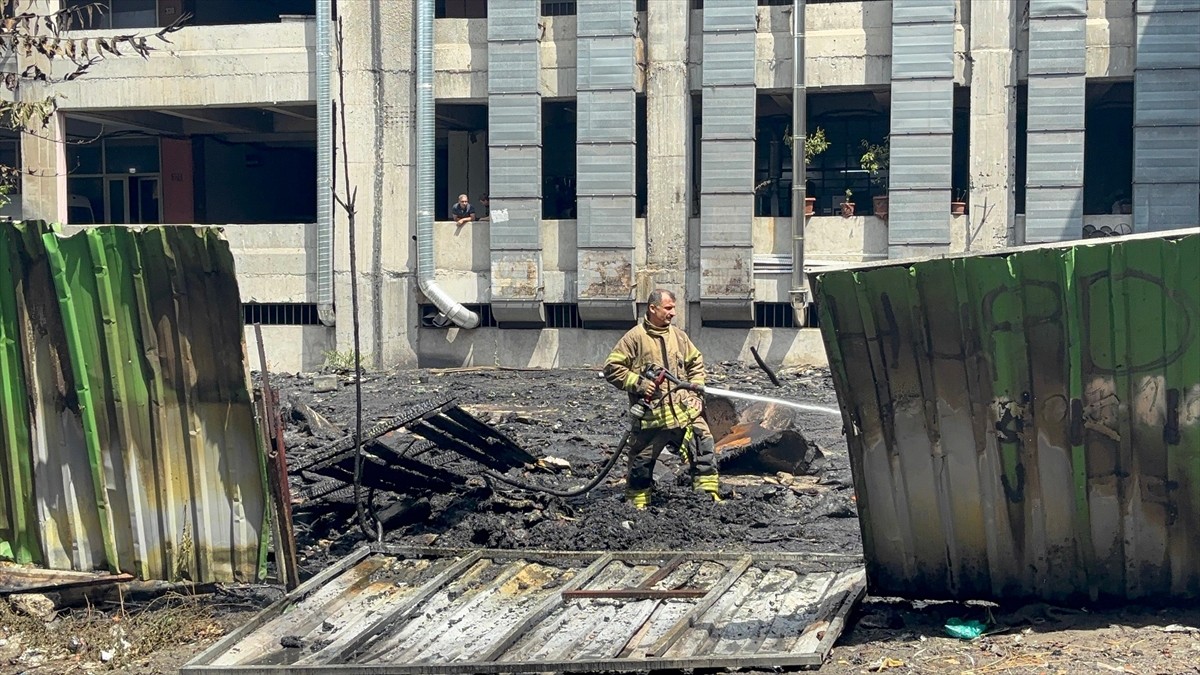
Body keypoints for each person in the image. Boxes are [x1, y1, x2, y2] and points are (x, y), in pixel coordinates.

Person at [603, 289, 721, 509]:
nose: (673, 313)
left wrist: (696, 393)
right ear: (653, 308)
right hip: (652, 417)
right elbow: (612, 368)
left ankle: (708, 498)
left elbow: (695, 363)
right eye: (668, 308)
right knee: (641, 463)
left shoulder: (679, 336)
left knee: (703, 446)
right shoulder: (635, 338)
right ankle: (637, 505)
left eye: (674, 308)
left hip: (685, 412)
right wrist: (640, 384)